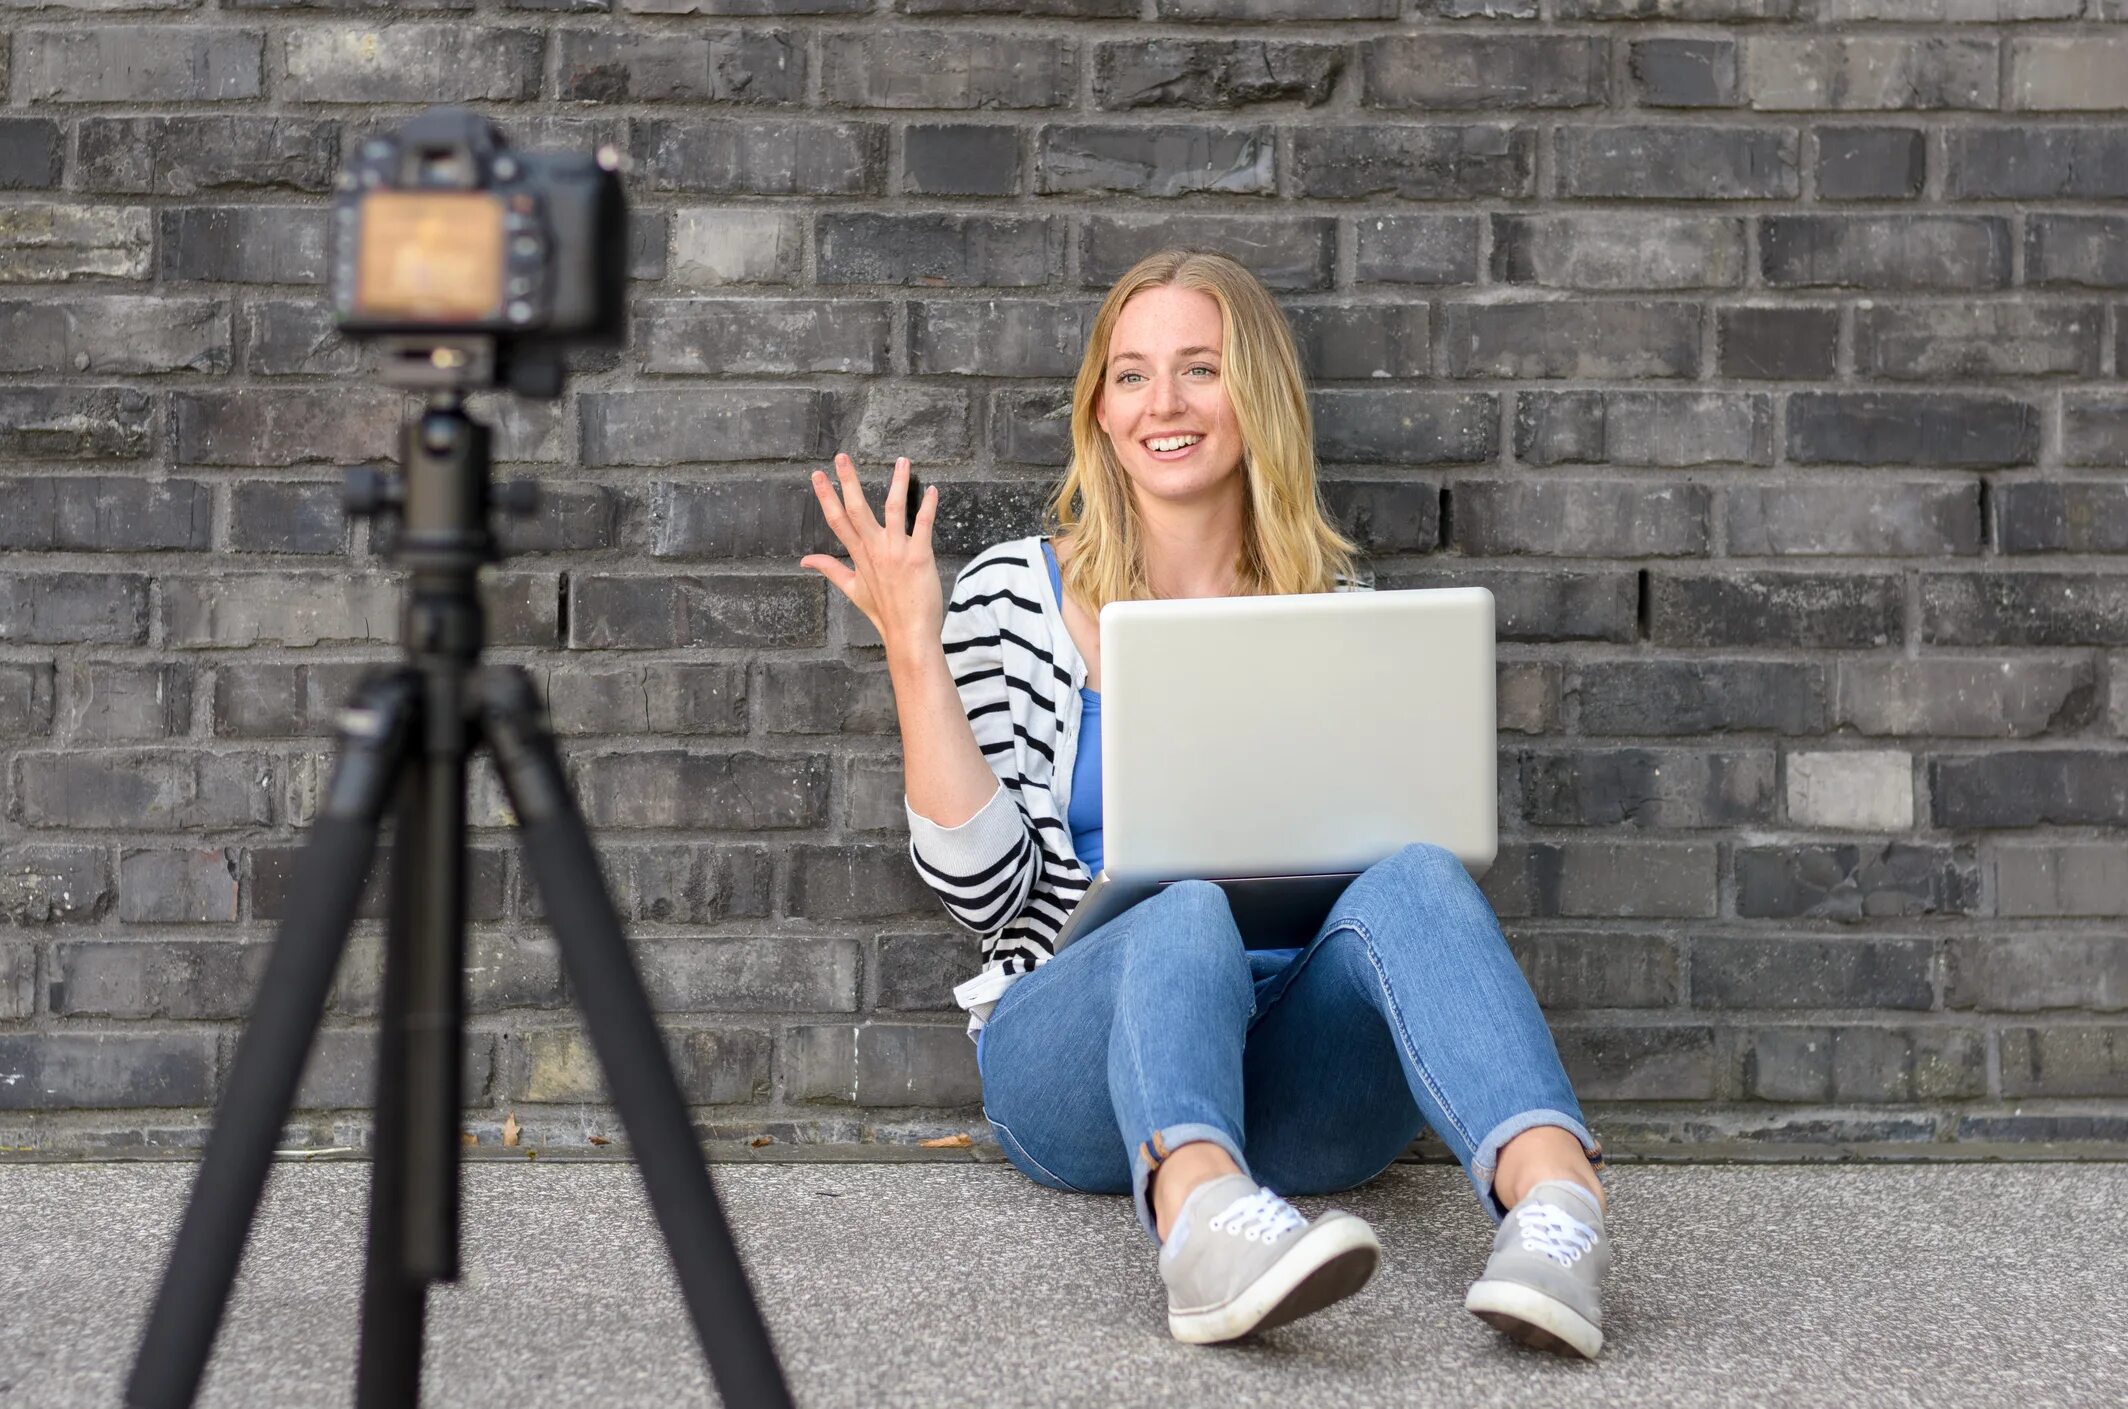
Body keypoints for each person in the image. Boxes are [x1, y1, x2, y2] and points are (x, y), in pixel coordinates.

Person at [799, 249, 1613, 1355]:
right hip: (1078, 1068)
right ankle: (1202, 1222)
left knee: (1417, 871)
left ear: (1256, 398)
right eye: (1130, 375)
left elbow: (1367, 879)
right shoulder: (1006, 596)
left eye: (1199, 369)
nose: (1163, 405)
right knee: (1177, 901)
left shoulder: (1336, 611)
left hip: (1299, 1074)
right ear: (1099, 406)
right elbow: (987, 899)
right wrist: (912, 647)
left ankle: (1558, 1215)